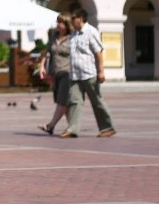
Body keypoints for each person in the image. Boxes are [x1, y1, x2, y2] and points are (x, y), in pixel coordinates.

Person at [60, 9, 116, 138]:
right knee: (74, 101)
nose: (71, 21)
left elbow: (98, 52)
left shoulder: (91, 32)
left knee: (97, 101)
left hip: (89, 74)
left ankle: (107, 128)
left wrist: (101, 71)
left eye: (73, 18)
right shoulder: (74, 34)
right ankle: (72, 129)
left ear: (80, 18)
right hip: (75, 74)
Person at [37, 12, 73, 135]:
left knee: (62, 101)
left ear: (67, 25)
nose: (58, 24)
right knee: (63, 101)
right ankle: (71, 128)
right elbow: (46, 52)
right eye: (57, 22)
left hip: (68, 72)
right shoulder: (53, 36)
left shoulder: (73, 38)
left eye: (61, 22)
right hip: (55, 73)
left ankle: (51, 125)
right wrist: (42, 67)